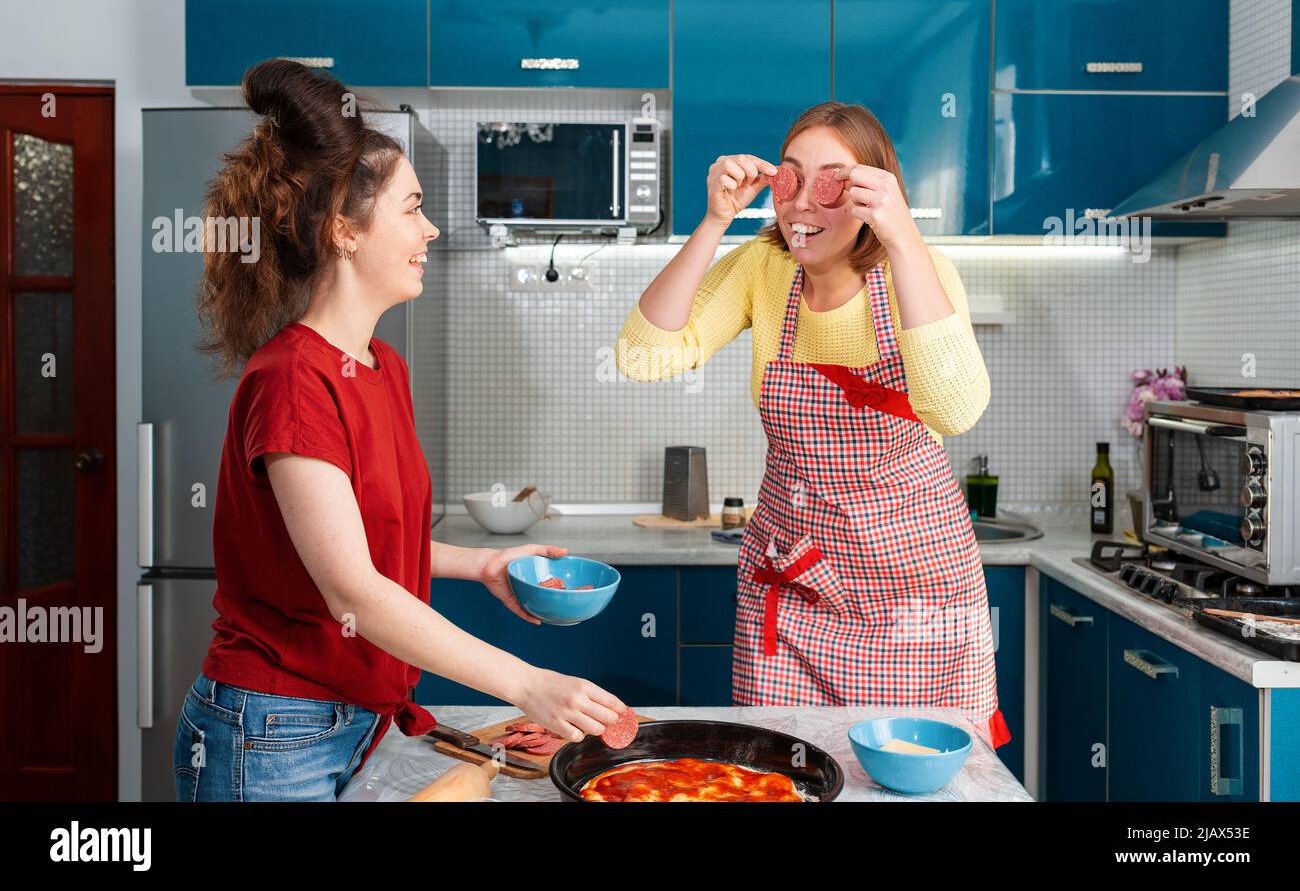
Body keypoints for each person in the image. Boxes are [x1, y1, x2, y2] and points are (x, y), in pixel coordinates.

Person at [175, 59, 625, 801]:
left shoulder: (382, 365)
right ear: (345, 230)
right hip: (274, 732)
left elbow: (372, 540)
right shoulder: (292, 379)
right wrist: (527, 683)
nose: (431, 228)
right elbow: (353, 590)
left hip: (356, 718)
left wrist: (480, 566)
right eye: (412, 208)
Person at [616, 102, 1009, 750]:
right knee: (782, 775)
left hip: (913, 604)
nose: (802, 206)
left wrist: (905, 237)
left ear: (870, 194)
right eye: (790, 179)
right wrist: (716, 221)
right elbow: (643, 355)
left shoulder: (920, 269)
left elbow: (954, 410)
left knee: (917, 787)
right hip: (795, 598)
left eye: (834, 183)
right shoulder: (763, 268)